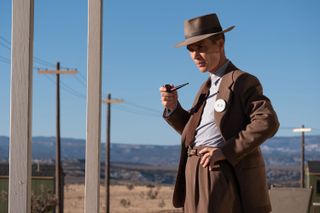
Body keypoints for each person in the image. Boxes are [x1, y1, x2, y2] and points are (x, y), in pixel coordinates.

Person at [159, 13, 279, 213]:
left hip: (216, 170)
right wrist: (173, 107)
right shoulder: (206, 86)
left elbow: (267, 121)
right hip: (193, 169)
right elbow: (193, 133)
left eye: (201, 48)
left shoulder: (241, 81)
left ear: (220, 43)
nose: (195, 56)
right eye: (191, 49)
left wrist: (226, 151)